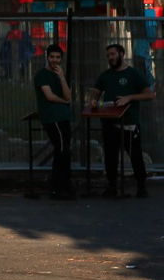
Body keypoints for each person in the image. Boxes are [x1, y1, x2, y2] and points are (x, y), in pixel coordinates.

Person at [87, 43, 155, 199]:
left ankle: (141, 186)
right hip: (110, 122)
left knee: (135, 155)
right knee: (110, 156)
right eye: (108, 55)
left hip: (129, 122)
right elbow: (95, 93)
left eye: (113, 54)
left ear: (122, 54)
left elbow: (149, 94)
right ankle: (112, 186)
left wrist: (129, 97)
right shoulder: (105, 75)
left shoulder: (134, 74)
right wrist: (93, 101)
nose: (110, 58)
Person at [33, 44, 75, 200]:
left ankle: (63, 184)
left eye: (58, 57)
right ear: (47, 57)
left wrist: (62, 78)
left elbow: (68, 95)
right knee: (62, 149)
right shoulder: (42, 75)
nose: (55, 60)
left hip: (63, 116)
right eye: (52, 57)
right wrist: (63, 102)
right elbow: (49, 96)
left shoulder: (60, 75)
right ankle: (58, 186)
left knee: (65, 150)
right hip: (52, 117)